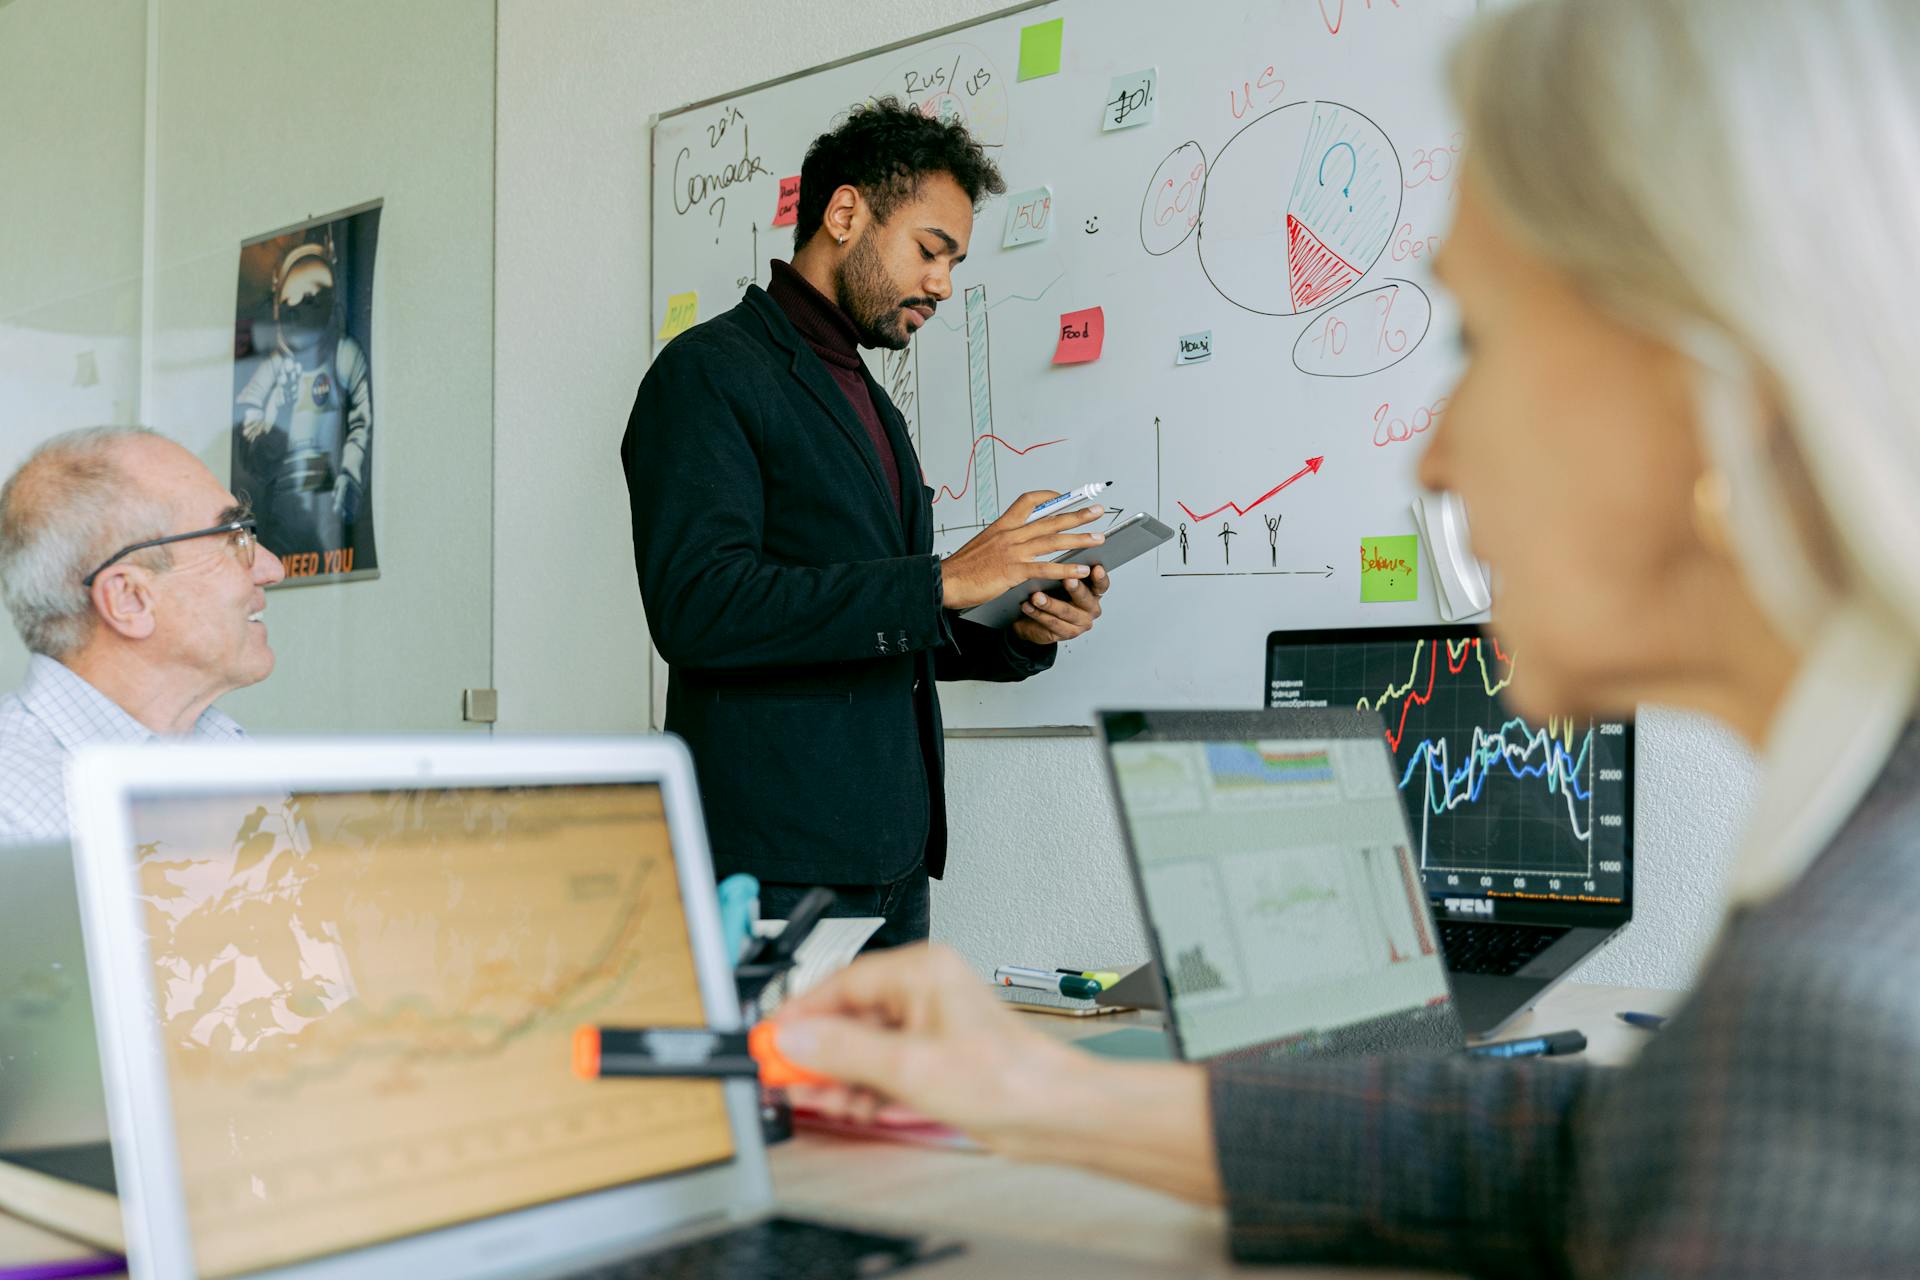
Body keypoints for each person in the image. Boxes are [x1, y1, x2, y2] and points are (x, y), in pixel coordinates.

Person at [767, 1, 1920, 1274]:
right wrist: (1046, 1092)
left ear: (1721, 380)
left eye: (1480, 336)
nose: (1435, 451)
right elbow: (1596, 1153)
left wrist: (994, 614)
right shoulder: (1854, 893)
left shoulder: (1853, 1009)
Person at [623, 100, 1112, 948]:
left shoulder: (873, 403)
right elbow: (698, 608)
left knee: (887, 1090)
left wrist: (1021, 626)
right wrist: (946, 579)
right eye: (931, 250)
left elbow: (884, 627)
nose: (943, 285)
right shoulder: (706, 375)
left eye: (954, 262)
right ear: (845, 213)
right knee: (783, 1090)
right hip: (771, 863)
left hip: (891, 860)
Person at [0, 427, 286, 840]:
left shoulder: (231, 754)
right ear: (129, 600)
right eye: (233, 538)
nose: (272, 569)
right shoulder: (12, 812)